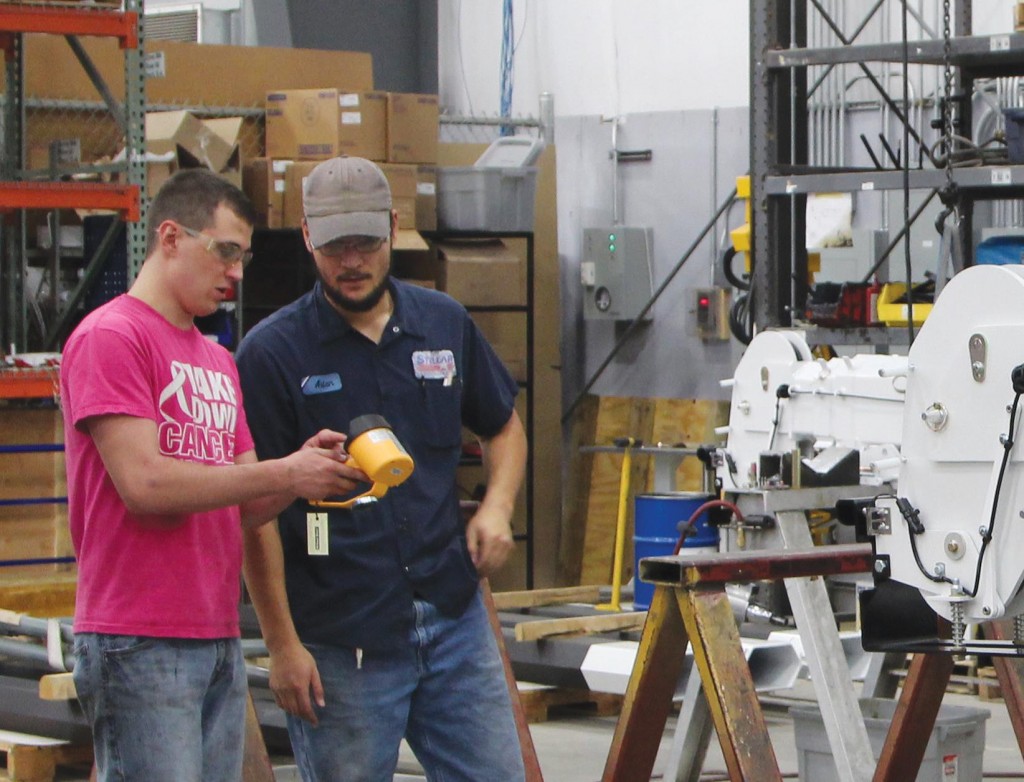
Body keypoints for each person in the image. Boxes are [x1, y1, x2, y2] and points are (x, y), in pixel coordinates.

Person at [235, 156, 529, 782]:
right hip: (342, 638)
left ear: (394, 228)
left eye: (365, 243)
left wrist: (498, 506)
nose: (352, 262)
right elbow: (252, 516)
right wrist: (283, 646)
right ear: (307, 237)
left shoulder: (442, 325)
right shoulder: (271, 355)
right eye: (335, 246)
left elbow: (502, 426)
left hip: (452, 616)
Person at [60, 169, 355, 782]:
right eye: (225, 252)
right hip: (138, 635)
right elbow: (144, 485)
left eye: (244, 257)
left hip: (213, 631)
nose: (237, 273)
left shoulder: (216, 359)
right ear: (170, 237)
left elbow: (244, 504)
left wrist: (307, 473)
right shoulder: (112, 337)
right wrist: (285, 470)